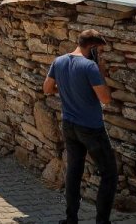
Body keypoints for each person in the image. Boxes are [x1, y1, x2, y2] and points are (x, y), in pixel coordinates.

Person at [43, 29, 117, 224]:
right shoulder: (89, 67)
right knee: (109, 174)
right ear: (92, 47)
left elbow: (47, 89)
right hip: (91, 128)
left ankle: (71, 219)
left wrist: (68, 89)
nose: (99, 55)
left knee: (74, 172)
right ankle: (102, 222)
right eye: (98, 51)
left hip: (69, 125)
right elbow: (106, 99)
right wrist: (100, 70)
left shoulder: (59, 61)